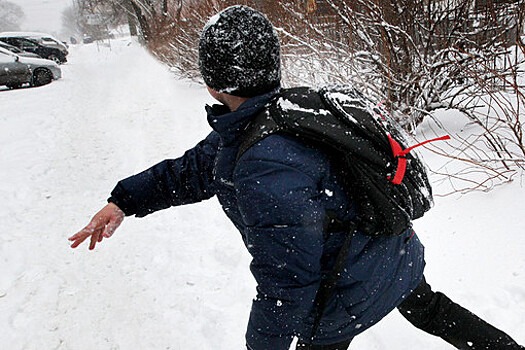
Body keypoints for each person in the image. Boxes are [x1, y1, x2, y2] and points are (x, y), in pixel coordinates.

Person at [69, 5, 523, 350]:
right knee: (430, 309)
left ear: (213, 83)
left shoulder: (264, 161)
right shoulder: (285, 114)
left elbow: (288, 282)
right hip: (392, 252)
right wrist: (124, 200)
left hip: (343, 289)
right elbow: (190, 171)